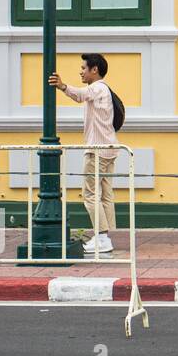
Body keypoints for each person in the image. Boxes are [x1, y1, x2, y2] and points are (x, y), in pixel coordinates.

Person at [48, 53, 119, 255]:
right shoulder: (103, 89)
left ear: (94, 69)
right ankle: (105, 237)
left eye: (83, 68)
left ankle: (102, 236)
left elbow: (80, 95)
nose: (81, 71)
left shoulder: (97, 88)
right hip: (109, 148)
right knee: (105, 193)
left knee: (90, 194)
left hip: (97, 150)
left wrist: (62, 86)